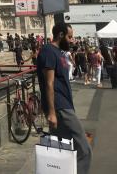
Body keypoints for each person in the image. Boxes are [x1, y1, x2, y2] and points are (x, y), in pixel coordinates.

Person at [36, 23, 92, 174]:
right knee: (84, 149)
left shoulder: (59, 52)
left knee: (63, 149)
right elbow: (49, 83)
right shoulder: (48, 51)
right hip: (60, 107)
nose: (72, 40)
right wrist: (52, 112)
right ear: (60, 35)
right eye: (69, 36)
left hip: (64, 105)